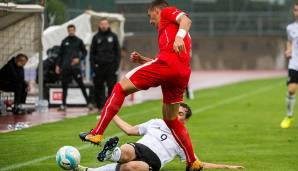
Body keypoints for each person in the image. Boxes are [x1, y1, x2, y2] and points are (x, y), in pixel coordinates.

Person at [80, 0, 201, 170]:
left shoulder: (167, 12)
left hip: (168, 65)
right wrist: (143, 60)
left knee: (119, 88)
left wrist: (179, 36)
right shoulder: (170, 31)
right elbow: (169, 64)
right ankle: (192, 161)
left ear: (156, 9)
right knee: (171, 120)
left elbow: (186, 20)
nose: (150, 21)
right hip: (181, 73)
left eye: (149, 15)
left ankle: (96, 133)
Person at [76, 103, 244, 171]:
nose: (176, 115)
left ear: (185, 119)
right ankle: (110, 154)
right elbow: (129, 130)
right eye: (175, 111)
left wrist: (227, 167)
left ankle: (105, 158)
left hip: (152, 162)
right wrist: (111, 112)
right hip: (139, 148)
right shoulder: (157, 122)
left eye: (181, 114)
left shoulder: (183, 139)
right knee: (127, 149)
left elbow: (196, 163)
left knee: (130, 167)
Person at [55, 24, 92, 111]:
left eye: (72, 30)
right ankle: (63, 104)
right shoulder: (64, 41)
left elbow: (84, 52)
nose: (71, 31)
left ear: (75, 30)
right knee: (64, 86)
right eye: (69, 30)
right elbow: (60, 54)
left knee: (81, 85)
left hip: (75, 68)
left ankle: (88, 103)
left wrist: (79, 59)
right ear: (68, 31)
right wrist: (58, 65)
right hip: (65, 67)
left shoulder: (79, 41)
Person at [90, 18, 121, 110]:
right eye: (102, 24)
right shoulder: (96, 37)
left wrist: (116, 65)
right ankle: (100, 107)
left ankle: (111, 107)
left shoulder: (113, 36)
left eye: (105, 24)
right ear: (99, 25)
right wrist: (93, 65)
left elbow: (117, 53)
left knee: (111, 87)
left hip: (111, 66)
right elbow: (92, 53)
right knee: (99, 86)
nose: (104, 26)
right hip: (99, 66)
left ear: (108, 25)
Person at [281, 2, 298, 129]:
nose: (297, 12)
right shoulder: (290, 27)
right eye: (296, 10)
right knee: (291, 90)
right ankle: (289, 116)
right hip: (295, 63)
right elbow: (290, 41)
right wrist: (288, 49)